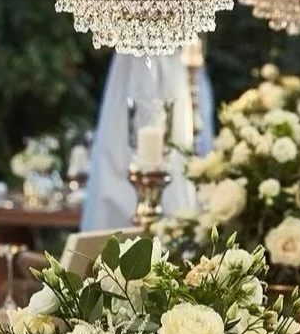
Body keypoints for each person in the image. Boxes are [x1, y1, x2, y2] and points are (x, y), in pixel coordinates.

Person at [81, 51, 214, 232]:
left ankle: (167, 228)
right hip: (132, 66)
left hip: (171, 69)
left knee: (175, 163)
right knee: (118, 156)